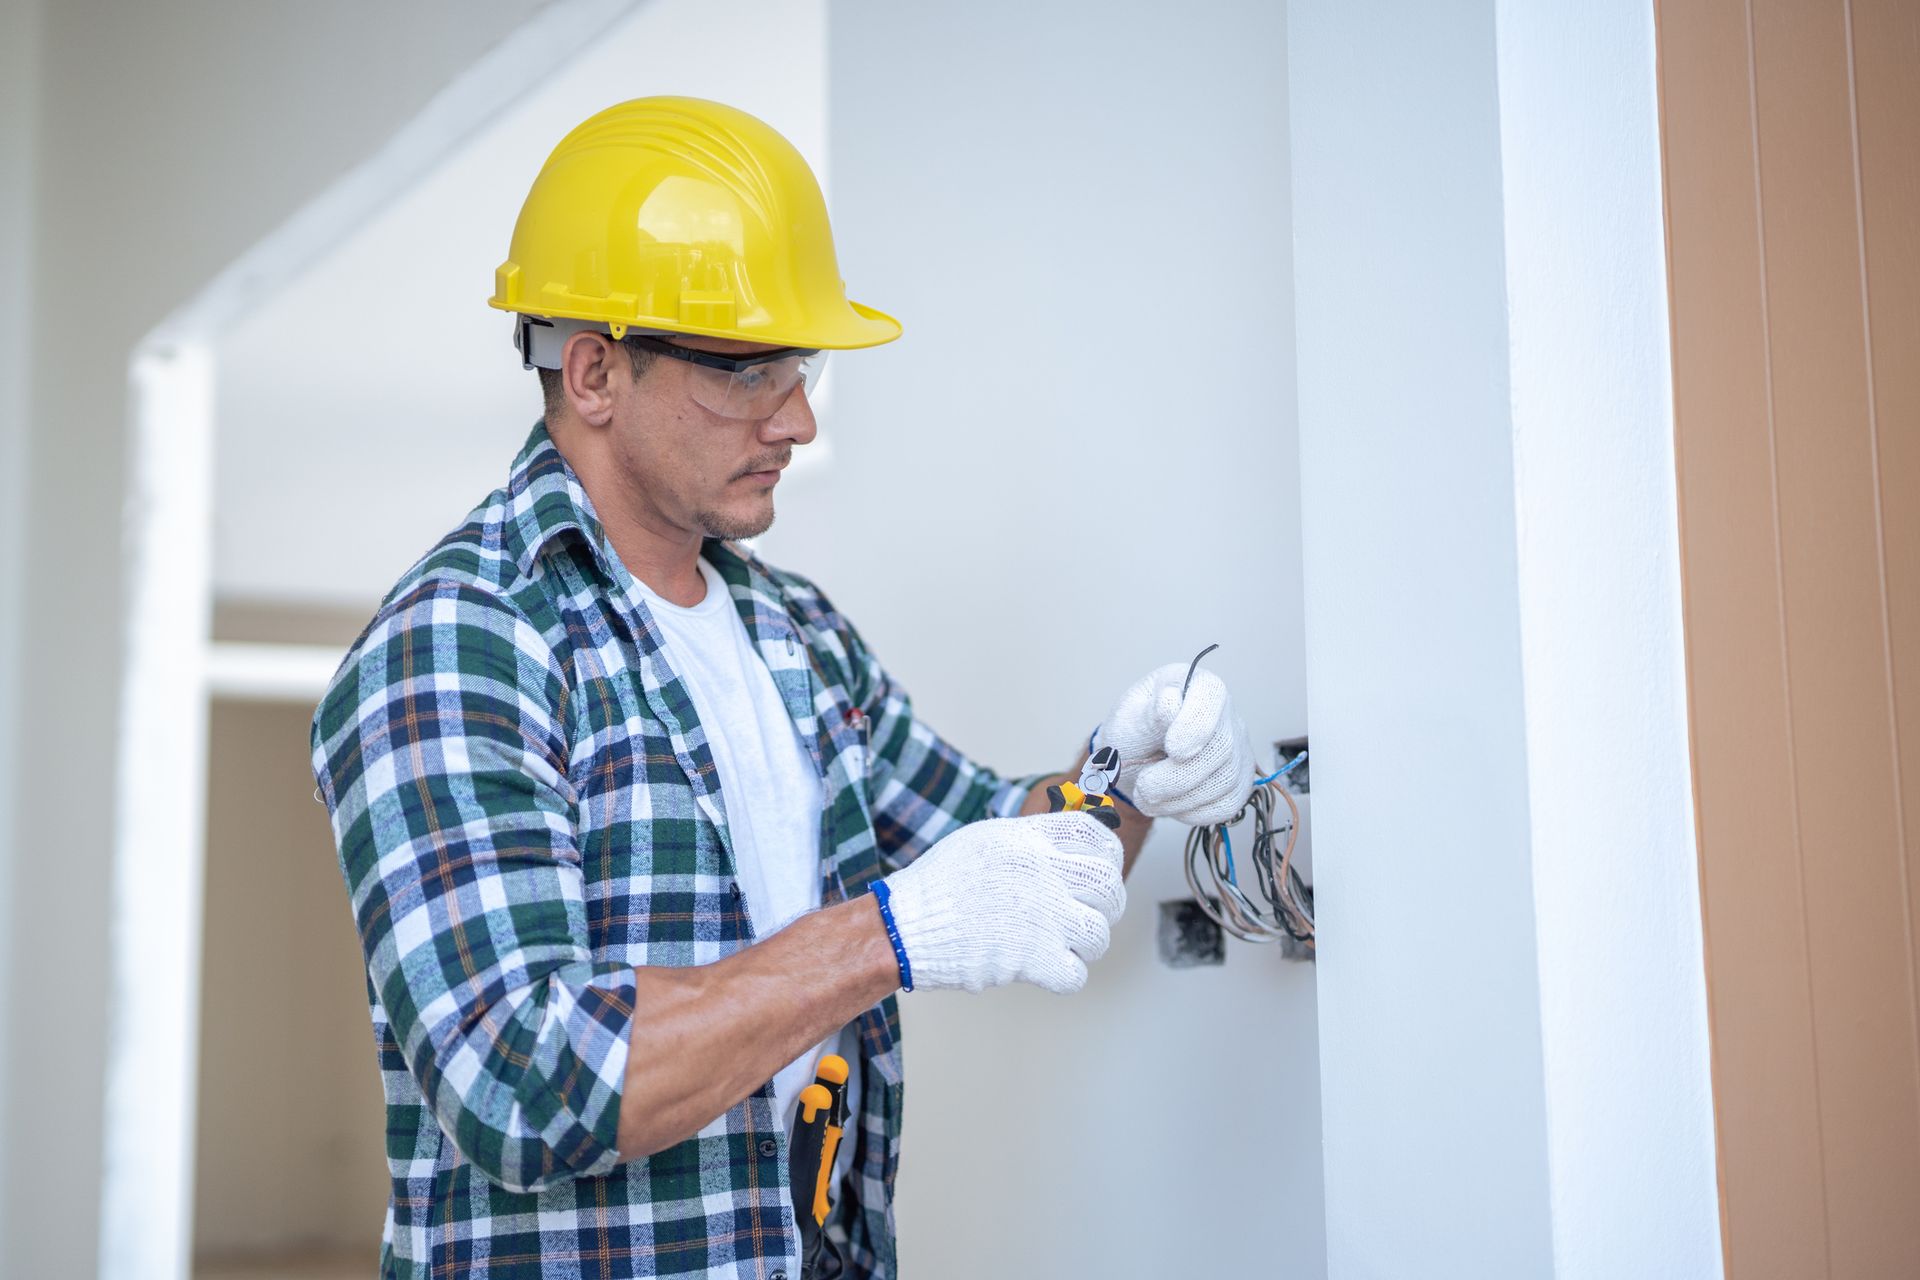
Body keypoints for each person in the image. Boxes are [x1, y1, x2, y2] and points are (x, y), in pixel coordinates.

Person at [311, 96, 1255, 1280]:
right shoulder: (459, 643)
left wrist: (1123, 778)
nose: (799, 418)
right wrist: (882, 935)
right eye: (751, 370)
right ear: (597, 370)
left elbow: (1000, 857)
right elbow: (521, 1082)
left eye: (798, 367)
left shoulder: (795, 633)